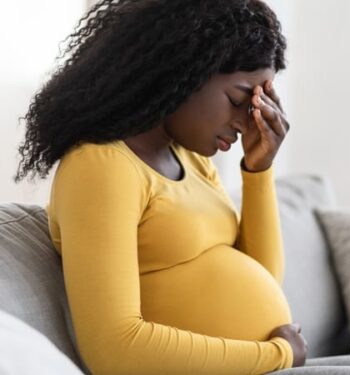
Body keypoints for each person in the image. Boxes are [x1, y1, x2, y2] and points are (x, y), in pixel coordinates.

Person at [15, 0, 307, 374]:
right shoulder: (102, 166)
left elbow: (266, 279)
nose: (246, 119)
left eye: (258, 103)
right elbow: (114, 350)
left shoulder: (193, 160)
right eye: (238, 99)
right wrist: (277, 354)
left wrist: (258, 168)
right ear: (181, 72)